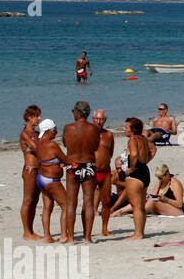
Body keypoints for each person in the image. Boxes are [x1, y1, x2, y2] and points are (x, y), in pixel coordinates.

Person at [62, 101, 99, 243]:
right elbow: (95, 146)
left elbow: (66, 143)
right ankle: (88, 237)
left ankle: (71, 237)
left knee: (71, 201)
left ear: (77, 112)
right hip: (88, 164)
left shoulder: (68, 128)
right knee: (88, 201)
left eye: (73, 111)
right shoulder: (94, 129)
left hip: (73, 163)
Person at [33, 119, 71, 243]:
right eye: (55, 130)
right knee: (66, 206)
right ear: (49, 131)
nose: (56, 133)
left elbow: (48, 158)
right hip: (51, 180)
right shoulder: (52, 144)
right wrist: (61, 163)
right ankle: (63, 235)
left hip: (41, 179)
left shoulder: (38, 143)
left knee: (47, 208)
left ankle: (47, 236)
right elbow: (65, 160)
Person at [118, 118, 152, 239]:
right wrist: (146, 160)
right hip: (145, 172)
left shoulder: (132, 140)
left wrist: (131, 168)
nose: (124, 129)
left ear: (133, 129)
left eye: (126, 127)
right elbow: (153, 149)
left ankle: (138, 233)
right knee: (141, 206)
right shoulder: (143, 139)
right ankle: (140, 232)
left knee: (136, 206)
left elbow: (134, 154)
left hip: (136, 174)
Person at [19, 105, 43, 240]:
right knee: (27, 200)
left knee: (35, 200)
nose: (39, 118)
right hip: (29, 170)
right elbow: (37, 149)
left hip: (38, 169)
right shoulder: (26, 133)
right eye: (37, 116)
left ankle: (31, 230)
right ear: (30, 117)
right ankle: (26, 232)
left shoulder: (36, 132)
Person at [92, 109, 116, 237]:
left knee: (106, 201)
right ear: (92, 119)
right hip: (92, 171)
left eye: (101, 119)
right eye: (96, 118)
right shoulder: (88, 133)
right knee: (88, 201)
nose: (99, 121)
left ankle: (105, 228)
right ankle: (88, 230)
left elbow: (110, 153)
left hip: (105, 171)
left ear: (105, 120)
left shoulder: (109, 135)